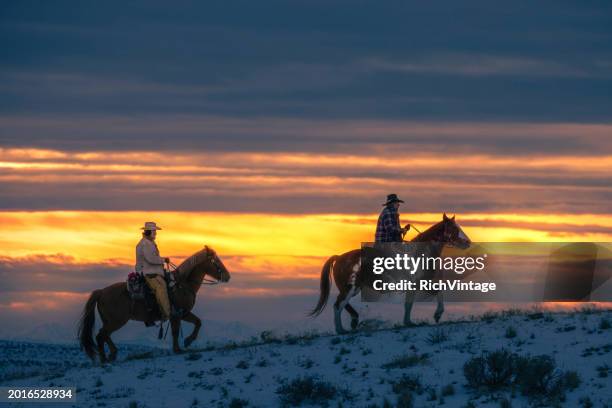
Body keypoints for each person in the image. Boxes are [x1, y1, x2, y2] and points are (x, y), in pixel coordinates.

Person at [135, 221, 172, 325]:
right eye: (154, 232)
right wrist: (163, 260)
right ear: (148, 232)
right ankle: (167, 313)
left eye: (155, 231)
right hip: (149, 273)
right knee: (161, 287)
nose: (155, 234)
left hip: (152, 271)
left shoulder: (149, 243)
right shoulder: (145, 244)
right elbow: (151, 259)